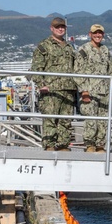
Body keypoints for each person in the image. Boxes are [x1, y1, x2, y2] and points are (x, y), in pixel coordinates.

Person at [31, 17, 76, 151]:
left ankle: (63, 145)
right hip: (50, 90)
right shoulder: (44, 46)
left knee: (65, 120)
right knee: (50, 120)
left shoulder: (69, 47)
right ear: (52, 28)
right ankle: (50, 146)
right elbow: (36, 68)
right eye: (57, 27)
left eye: (62, 27)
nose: (60, 29)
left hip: (67, 89)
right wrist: (41, 84)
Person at [74, 24, 111, 152]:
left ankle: (100, 145)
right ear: (90, 34)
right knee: (91, 121)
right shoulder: (84, 49)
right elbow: (78, 71)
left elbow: (109, 70)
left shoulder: (106, 50)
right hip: (90, 91)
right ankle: (90, 145)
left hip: (104, 92)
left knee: (103, 121)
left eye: (100, 33)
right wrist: (84, 91)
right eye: (95, 33)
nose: (98, 35)